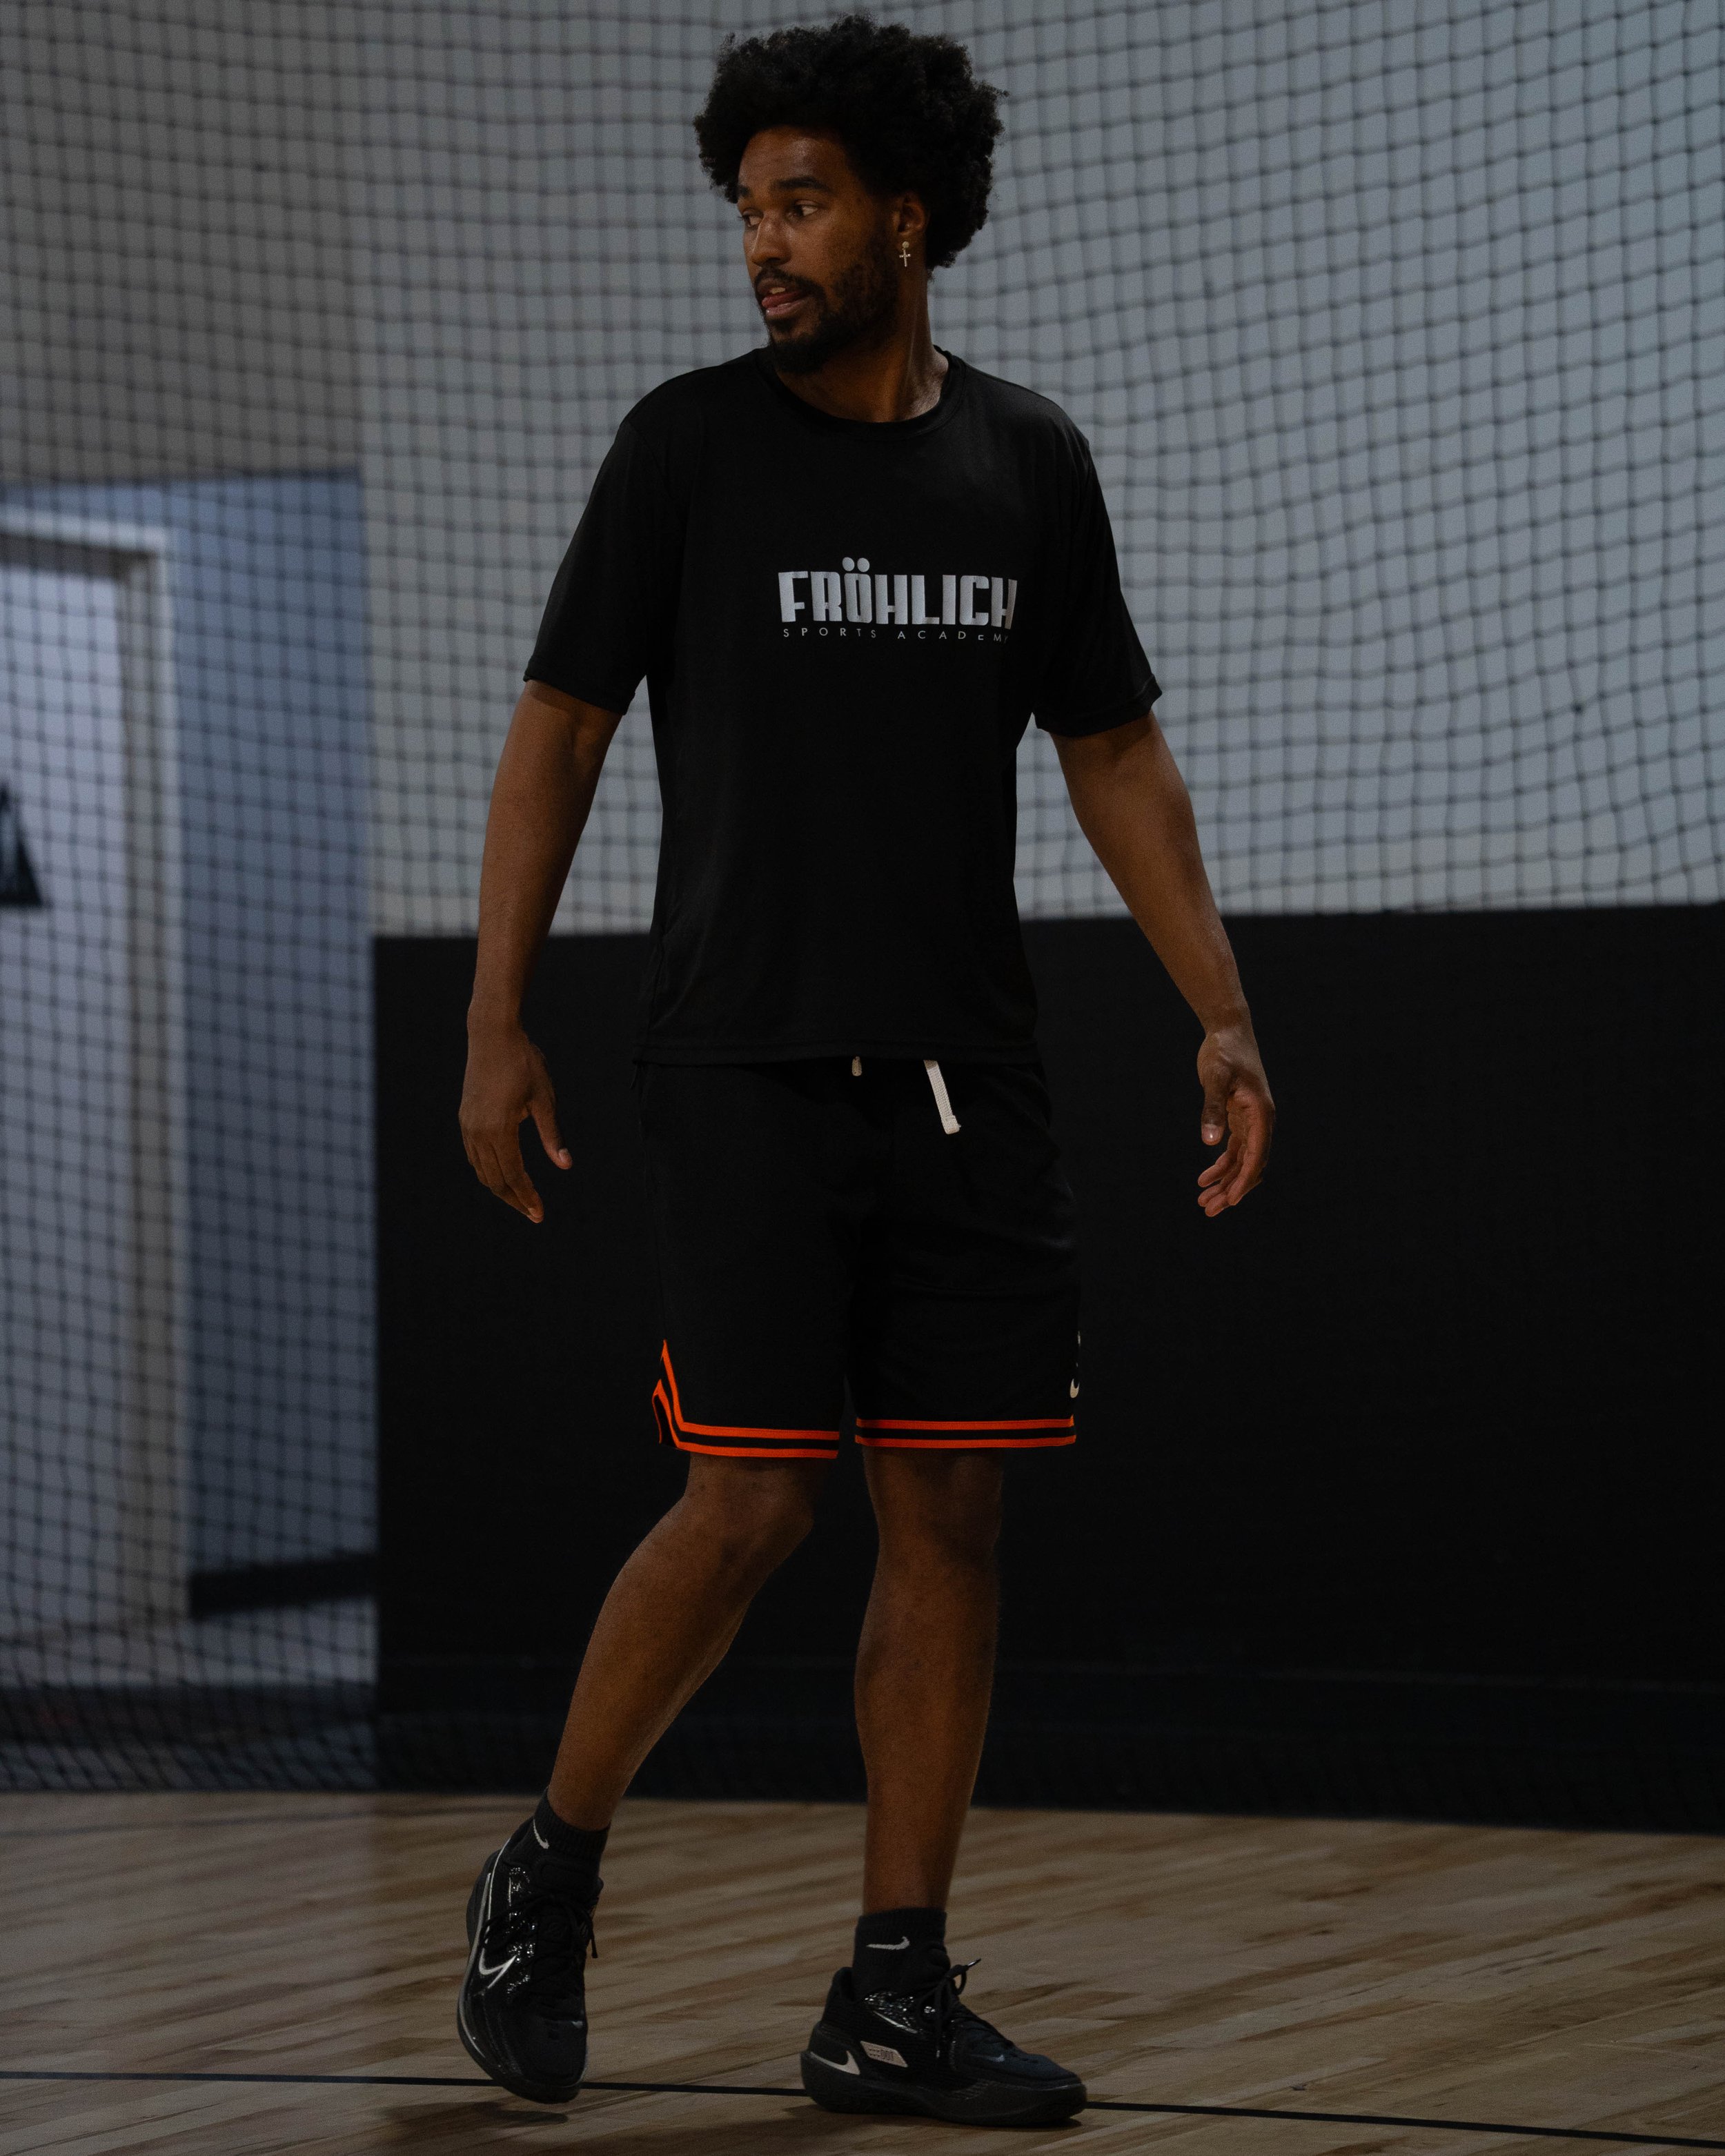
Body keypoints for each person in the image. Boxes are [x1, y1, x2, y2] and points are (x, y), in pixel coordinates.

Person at [455, 14, 1273, 2128]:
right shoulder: (685, 452)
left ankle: (891, 1993)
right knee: (749, 1503)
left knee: (954, 1515)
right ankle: (547, 1867)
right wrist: (492, 1018)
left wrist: (1220, 1007)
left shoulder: (1025, 463)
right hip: (736, 1066)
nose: (764, 243)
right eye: (748, 208)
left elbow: (1113, 753)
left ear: (907, 218)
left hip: (964, 1090)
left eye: (801, 201)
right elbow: (556, 734)